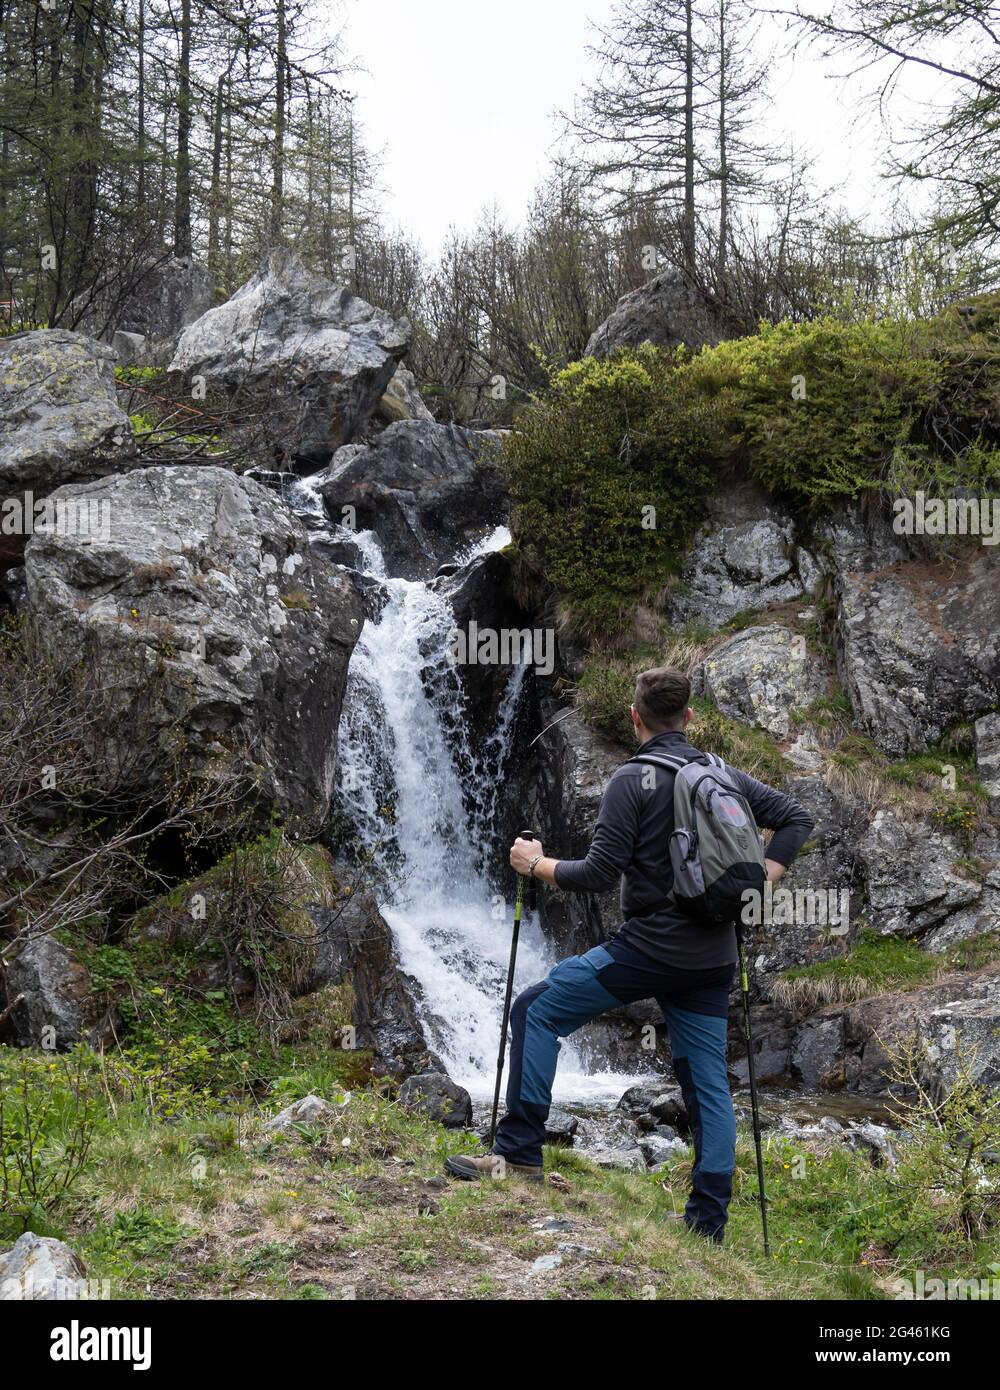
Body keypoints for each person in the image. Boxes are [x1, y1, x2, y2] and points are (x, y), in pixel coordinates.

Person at [445, 666, 814, 1243]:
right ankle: (706, 1222)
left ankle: (517, 1156)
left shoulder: (632, 779)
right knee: (707, 1084)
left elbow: (597, 873)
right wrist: (757, 886)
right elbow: (796, 817)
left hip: (648, 950)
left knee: (535, 1011)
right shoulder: (721, 773)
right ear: (689, 718)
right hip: (713, 956)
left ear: (635, 718)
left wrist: (535, 865)